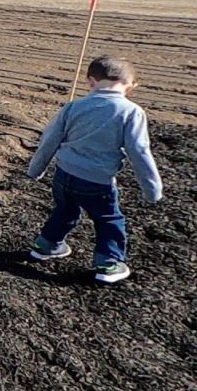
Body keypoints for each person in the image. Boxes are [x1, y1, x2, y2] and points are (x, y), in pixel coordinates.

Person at [26, 55, 163, 284]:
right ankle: (108, 263)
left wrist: (35, 169)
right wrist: (152, 188)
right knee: (109, 219)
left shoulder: (74, 106)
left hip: (63, 174)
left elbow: (49, 140)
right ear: (130, 86)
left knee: (65, 210)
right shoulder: (131, 112)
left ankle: (46, 245)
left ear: (90, 81)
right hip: (97, 181)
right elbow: (139, 151)